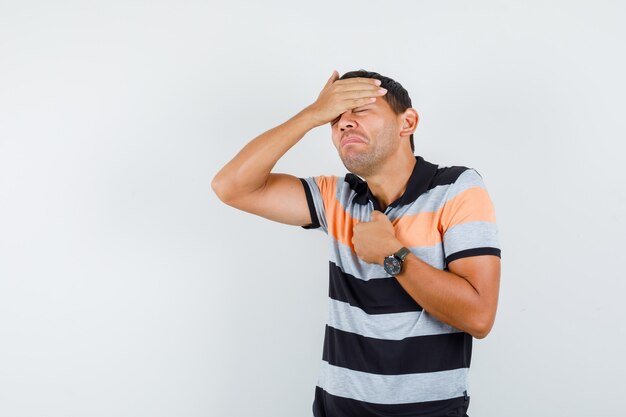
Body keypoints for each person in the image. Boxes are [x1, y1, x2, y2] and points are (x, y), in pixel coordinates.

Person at [212, 69, 501, 417]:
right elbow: (231, 187)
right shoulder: (336, 197)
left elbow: (479, 316)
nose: (344, 124)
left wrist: (392, 255)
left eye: (359, 109)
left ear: (407, 122)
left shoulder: (457, 188)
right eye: (335, 118)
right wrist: (311, 114)